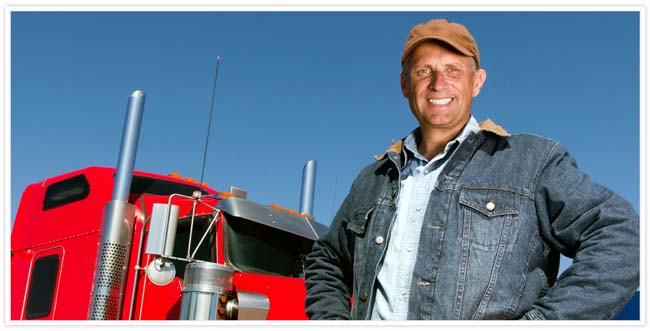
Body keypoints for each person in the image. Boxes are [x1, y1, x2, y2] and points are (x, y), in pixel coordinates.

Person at [304, 18, 639, 320]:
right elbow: (327, 259)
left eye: (453, 70)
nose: (438, 83)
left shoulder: (530, 161)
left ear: (476, 82)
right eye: (424, 71)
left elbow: (624, 237)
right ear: (405, 84)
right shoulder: (372, 180)